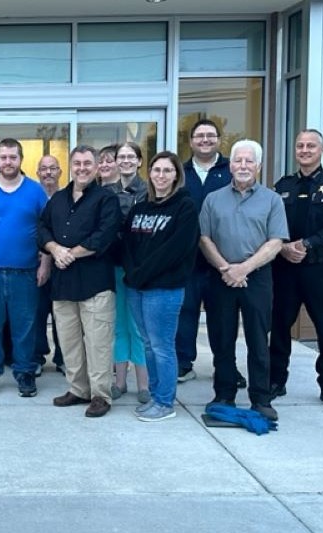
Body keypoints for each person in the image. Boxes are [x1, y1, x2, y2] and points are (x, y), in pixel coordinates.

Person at [199, 139, 288, 421]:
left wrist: (244, 269)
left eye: (249, 161)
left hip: (257, 278)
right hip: (221, 277)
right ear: (230, 165)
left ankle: (260, 398)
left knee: (258, 340)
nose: (243, 166)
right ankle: (224, 394)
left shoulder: (272, 200)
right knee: (222, 339)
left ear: (258, 166)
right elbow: (204, 238)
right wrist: (226, 268)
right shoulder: (213, 199)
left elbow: (276, 242)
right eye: (238, 160)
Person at [269, 129, 323, 410]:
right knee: (279, 326)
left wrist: (306, 244)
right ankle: (275, 381)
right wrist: (283, 247)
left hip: (320, 268)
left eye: (311, 146)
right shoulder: (283, 186)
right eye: (300, 145)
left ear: (322, 150)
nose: (304, 150)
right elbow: (271, 222)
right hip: (285, 267)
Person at [40, 145, 121, 417]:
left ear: (96, 167)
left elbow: (104, 235)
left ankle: (100, 395)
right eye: (77, 163)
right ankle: (78, 389)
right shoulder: (58, 199)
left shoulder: (106, 199)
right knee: (70, 342)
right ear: (71, 166)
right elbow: (42, 228)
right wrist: (54, 249)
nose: (82, 168)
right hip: (63, 284)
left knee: (98, 344)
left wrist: (69, 254)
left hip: (95, 284)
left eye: (88, 163)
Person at [0, 138, 51, 398]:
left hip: (26, 272)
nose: (8, 162)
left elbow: (48, 230)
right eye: (3, 157)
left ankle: (25, 372)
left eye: (13, 157)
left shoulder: (35, 191)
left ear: (21, 160)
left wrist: (45, 263)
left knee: (25, 326)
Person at [122, 151, 200, 422]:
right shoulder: (139, 208)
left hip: (164, 289)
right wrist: (133, 273)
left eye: (167, 170)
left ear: (177, 175)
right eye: (156, 170)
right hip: (136, 287)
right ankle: (155, 396)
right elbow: (127, 245)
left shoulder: (185, 207)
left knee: (162, 346)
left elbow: (175, 250)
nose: (161, 175)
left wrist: (142, 273)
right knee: (147, 344)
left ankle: (165, 402)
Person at [176, 119, 247, 389]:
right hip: (188, 259)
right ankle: (183, 363)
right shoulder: (180, 173)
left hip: (224, 260)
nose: (204, 140)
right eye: (199, 136)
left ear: (219, 139)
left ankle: (226, 367)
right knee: (186, 312)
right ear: (191, 141)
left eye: (210, 135)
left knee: (223, 317)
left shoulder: (231, 170)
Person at [101, 142, 149, 403]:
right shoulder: (107, 192)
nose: (126, 160)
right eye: (122, 156)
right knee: (119, 325)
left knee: (138, 327)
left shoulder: (149, 191)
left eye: (132, 156)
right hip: (114, 266)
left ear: (139, 161)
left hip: (141, 269)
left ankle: (143, 385)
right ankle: (119, 382)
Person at [34, 155, 65, 375]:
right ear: (38, 173)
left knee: (62, 315)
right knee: (36, 312)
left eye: (53, 168)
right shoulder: (31, 197)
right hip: (34, 264)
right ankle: (37, 357)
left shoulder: (68, 198)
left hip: (63, 265)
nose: (48, 173)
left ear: (60, 172)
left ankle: (63, 358)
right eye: (44, 169)